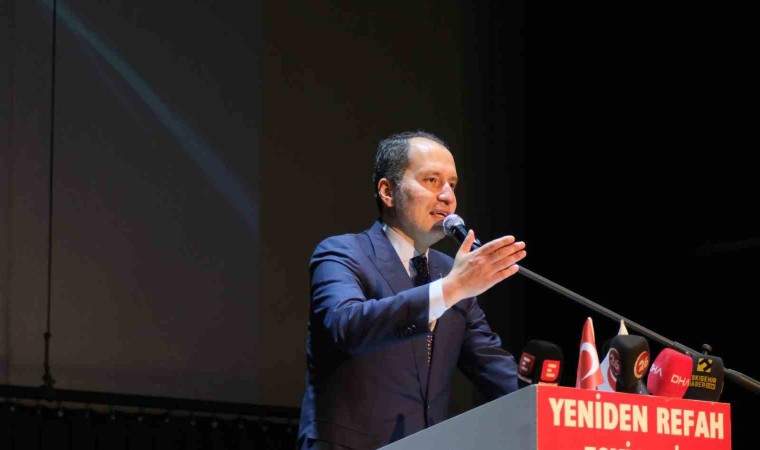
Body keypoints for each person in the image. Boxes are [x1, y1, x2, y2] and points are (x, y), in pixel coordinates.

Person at [297, 130, 527, 449]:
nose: (447, 196)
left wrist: (568, 405)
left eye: (452, 184)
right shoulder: (341, 253)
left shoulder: (449, 271)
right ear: (388, 191)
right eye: (432, 180)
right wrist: (451, 288)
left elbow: (495, 368)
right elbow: (346, 326)